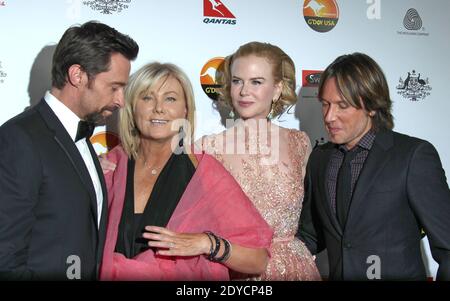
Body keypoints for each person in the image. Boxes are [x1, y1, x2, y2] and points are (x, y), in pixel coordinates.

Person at [98, 62, 273, 281]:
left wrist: (207, 243)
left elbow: (258, 260)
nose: (158, 108)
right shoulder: (109, 166)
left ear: (185, 109)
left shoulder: (204, 171)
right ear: (132, 106)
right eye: (147, 97)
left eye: (170, 98)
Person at [0, 21, 139, 280]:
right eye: (114, 87)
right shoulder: (18, 139)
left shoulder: (81, 135)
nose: (121, 100)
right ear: (77, 75)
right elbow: (5, 256)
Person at [298, 52, 450, 280]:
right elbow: (312, 235)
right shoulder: (319, 159)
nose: (329, 116)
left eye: (342, 105)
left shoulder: (413, 156)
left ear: (371, 106)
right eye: (326, 104)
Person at [198, 41, 321, 280]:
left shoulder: (300, 143)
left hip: (297, 269)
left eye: (256, 82)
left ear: (277, 89)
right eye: (237, 81)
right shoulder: (207, 147)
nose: (244, 91)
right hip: (238, 268)